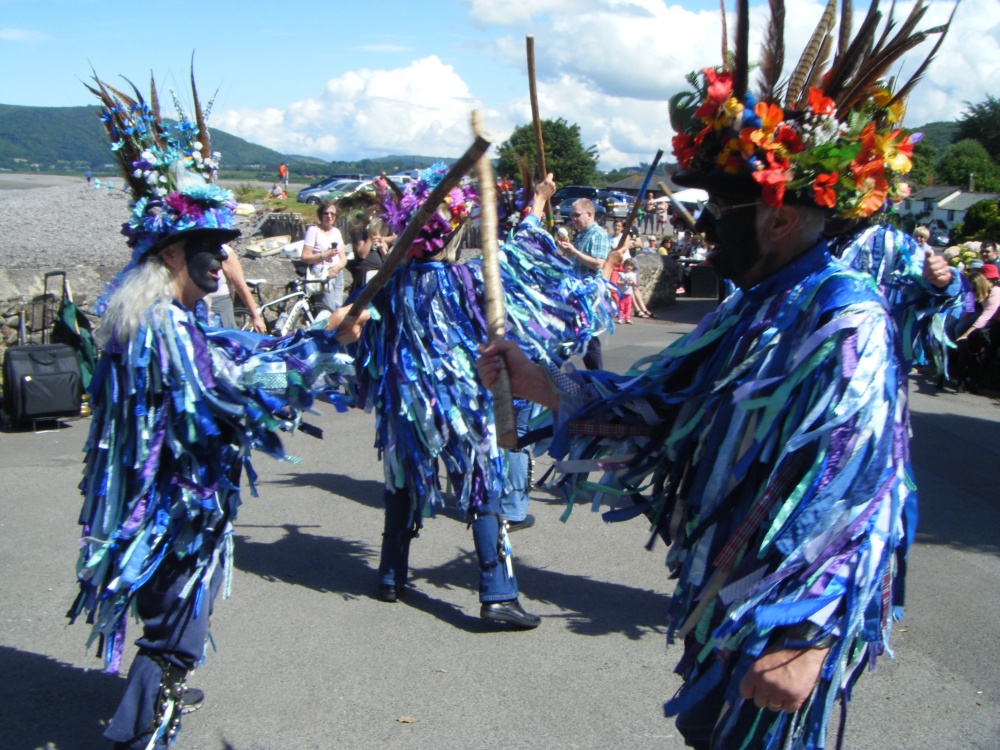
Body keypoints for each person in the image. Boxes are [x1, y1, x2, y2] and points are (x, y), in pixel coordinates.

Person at [480, 8, 949, 742]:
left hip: (784, 618)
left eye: (721, 212)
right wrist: (541, 381)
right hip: (730, 597)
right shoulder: (758, 303)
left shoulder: (843, 318)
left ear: (781, 220)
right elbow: (670, 404)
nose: (705, 232)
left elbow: (861, 489)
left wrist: (811, 637)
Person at [71, 72, 365, 750]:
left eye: (225, 246)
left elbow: (225, 364)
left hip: (158, 503)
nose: (223, 261)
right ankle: (142, 726)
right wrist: (326, 345)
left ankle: (159, 682)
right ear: (171, 251)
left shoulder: (143, 309)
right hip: (174, 509)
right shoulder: (162, 330)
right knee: (179, 631)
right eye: (211, 248)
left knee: (174, 616)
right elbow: (231, 383)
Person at [354, 166, 611, 627]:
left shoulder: (385, 286)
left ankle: (391, 576)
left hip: (406, 408)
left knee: (401, 482)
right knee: (482, 489)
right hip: (462, 408)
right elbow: (520, 255)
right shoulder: (465, 280)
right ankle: (498, 595)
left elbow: (361, 346)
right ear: (450, 232)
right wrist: (536, 205)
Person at [556, 197, 610, 369]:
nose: (573, 219)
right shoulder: (581, 236)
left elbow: (599, 263)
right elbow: (574, 261)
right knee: (571, 334)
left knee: (587, 337)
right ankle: (551, 371)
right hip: (574, 294)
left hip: (587, 296)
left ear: (589, 214)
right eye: (571, 215)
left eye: (576, 215)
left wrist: (575, 252)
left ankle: (597, 379)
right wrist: (566, 252)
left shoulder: (598, 234)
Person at [301, 199, 348, 317]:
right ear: (321, 215)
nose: (329, 216)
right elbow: (305, 257)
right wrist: (324, 255)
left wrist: (337, 268)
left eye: (332, 214)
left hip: (337, 273)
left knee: (338, 310)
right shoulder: (313, 231)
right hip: (322, 274)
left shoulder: (336, 232)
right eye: (326, 213)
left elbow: (343, 258)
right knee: (327, 312)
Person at [206, 244, 267, 332]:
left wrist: (256, 317)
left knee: (226, 341)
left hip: (220, 306)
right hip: (198, 306)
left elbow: (241, 286)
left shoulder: (224, 252)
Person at [615, 258, 638, 323]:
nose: (628, 267)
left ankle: (627, 318)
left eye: (630, 266)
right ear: (624, 266)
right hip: (622, 293)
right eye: (627, 265)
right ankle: (620, 317)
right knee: (621, 306)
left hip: (629, 293)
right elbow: (617, 282)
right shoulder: (621, 274)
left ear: (632, 267)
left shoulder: (633, 275)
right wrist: (625, 282)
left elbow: (635, 284)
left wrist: (633, 281)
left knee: (628, 306)